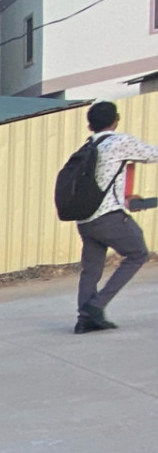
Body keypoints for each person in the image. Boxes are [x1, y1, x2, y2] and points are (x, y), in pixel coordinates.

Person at [74, 101, 158, 334]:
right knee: (138, 252)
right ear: (116, 119)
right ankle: (96, 306)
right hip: (108, 217)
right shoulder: (118, 141)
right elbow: (152, 154)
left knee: (91, 269)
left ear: (90, 126)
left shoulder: (88, 146)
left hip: (85, 219)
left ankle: (85, 319)